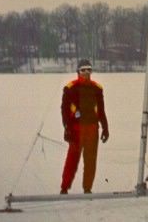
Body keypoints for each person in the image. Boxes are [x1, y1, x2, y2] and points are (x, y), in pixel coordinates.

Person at [60, 59, 109, 194]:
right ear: (78, 72)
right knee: (72, 161)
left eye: (89, 70)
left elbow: (101, 110)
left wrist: (105, 127)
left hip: (93, 129)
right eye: (83, 70)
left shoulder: (97, 88)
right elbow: (64, 111)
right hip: (76, 130)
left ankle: (87, 189)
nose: (86, 73)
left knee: (90, 161)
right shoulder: (70, 88)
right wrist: (67, 128)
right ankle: (64, 188)